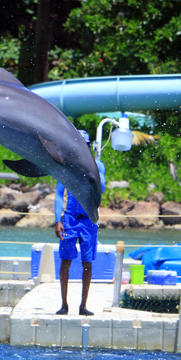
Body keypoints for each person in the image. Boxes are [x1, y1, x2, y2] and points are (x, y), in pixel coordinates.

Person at [54, 130, 106, 316]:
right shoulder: (66, 167)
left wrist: (89, 169)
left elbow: (101, 188)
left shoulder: (97, 166)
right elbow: (59, 194)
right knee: (65, 260)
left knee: (87, 262)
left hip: (89, 220)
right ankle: (64, 304)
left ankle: (83, 306)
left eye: (84, 145)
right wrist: (57, 220)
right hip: (70, 218)